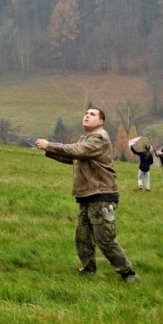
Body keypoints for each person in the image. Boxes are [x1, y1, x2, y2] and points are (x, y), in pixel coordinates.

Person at [35, 108, 141, 283]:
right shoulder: (86, 139)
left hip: (102, 195)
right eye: (86, 113)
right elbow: (75, 158)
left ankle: (128, 273)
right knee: (82, 237)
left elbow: (78, 151)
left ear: (101, 122)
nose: (86, 116)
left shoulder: (100, 138)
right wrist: (49, 151)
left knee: (104, 239)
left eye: (92, 114)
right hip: (87, 195)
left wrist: (50, 145)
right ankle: (88, 270)